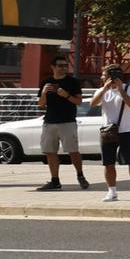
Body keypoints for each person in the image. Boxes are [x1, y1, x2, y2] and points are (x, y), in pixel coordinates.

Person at [34, 53, 89, 191]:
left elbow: (79, 101)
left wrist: (66, 95)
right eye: (60, 66)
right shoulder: (45, 82)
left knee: (73, 150)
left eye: (65, 66)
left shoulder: (72, 82)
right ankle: (55, 180)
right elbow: (40, 105)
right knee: (50, 152)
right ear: (53, 67)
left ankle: (80, 175)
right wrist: (44, 93)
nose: (63, 68)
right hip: (49, 122)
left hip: (67, 121)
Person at [91, 65, 130, 201]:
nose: (102, 77)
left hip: (126, 130)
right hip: (107, 130)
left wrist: (120, 89)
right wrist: (104, 89)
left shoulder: (129, 88)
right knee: (108, 162)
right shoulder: (102, 90)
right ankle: (112, 191)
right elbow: (93, 103)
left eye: (104, 75)